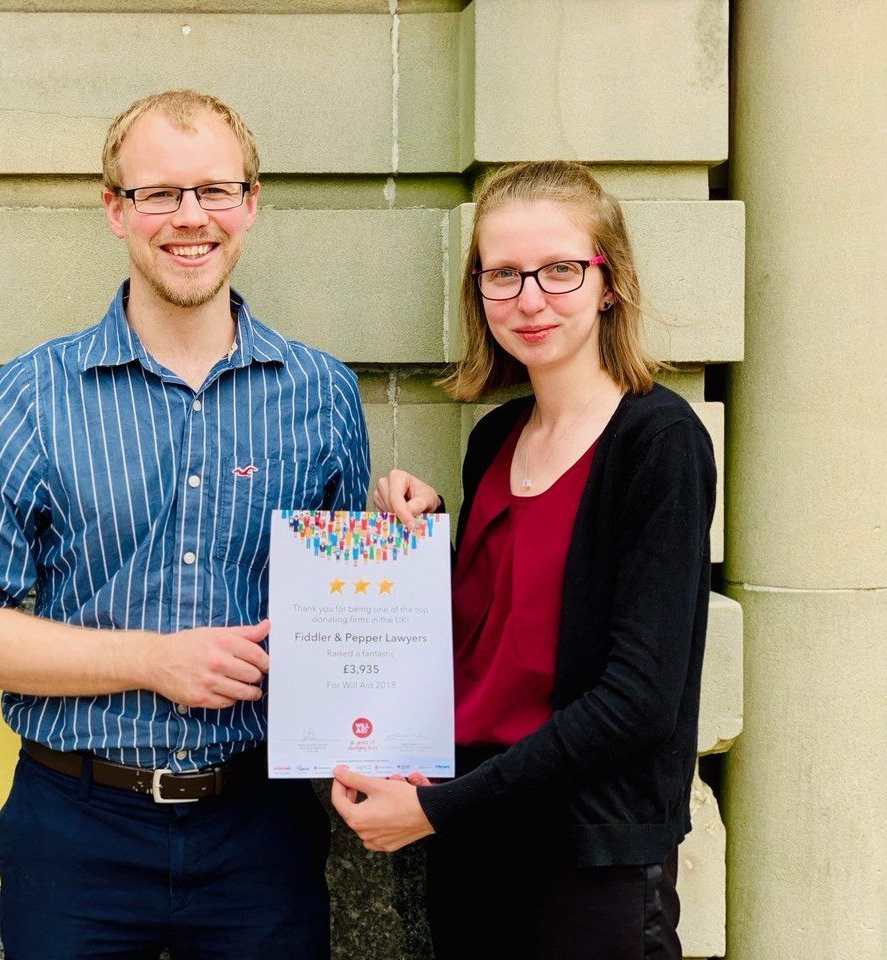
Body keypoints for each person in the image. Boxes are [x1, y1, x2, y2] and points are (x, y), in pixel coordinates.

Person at [0, 89, 368, 959]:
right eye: (159, 193)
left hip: (259, 830)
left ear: (252, 204)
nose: (189, 218)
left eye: (215, 191)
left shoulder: (322, 394)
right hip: (77, 829)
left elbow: (346, 625)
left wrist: (393, 540)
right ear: (115, 210)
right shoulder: (31, 396)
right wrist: (154, 660)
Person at [329, 160, 716, 960]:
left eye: (560, 270)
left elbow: (637, 702)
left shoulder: (658, 443)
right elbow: (498, 644)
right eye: (502, 275)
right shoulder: (495, 441)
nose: (529, 299)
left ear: (610, 283)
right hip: (475, 845)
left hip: (588, 860)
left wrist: (442, 810)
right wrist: (422, 539)